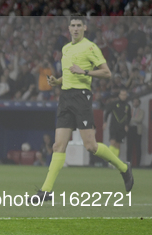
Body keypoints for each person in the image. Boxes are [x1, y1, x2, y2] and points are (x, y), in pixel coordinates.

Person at [33, 14, 134, 202]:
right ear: (69, 28)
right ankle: (46, 191)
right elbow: (69, 74)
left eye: (79, 25)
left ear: (85, 28)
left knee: (91, 146)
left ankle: (124, 168)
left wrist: (85, 71)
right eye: (73, 25)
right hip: (65, 97)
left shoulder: (90, 47)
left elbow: (107, 73)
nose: (76, 28)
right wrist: (58, 81)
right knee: (58, 145)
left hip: (81, 98)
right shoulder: (65, 49)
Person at [104, 89, 131, 160]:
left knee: (118, 144)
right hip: (113, 126)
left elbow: (129, 117)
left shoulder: (127, 106)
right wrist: (105, 122)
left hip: (121, 127)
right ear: (119, 95)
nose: (123, 96)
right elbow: (107, 112)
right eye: (122, 95)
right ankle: (110, 159)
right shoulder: (114, 103)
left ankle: (115, 160)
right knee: (112, 142)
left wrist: (127, 125)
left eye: (125, 95)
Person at [127, 98, 144, 167]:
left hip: (137, 130)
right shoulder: (129, 111)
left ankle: (138, 164)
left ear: (139, 103)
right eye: (134, 102)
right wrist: (133, 120)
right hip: (130, 129)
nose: (135, 103)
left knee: (138, 147)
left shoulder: (141, 111)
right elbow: (127, 119)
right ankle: (128, 163)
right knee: (129, 147)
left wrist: (131, 119)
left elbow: (140, 119)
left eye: (137, 102)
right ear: (132, 103)